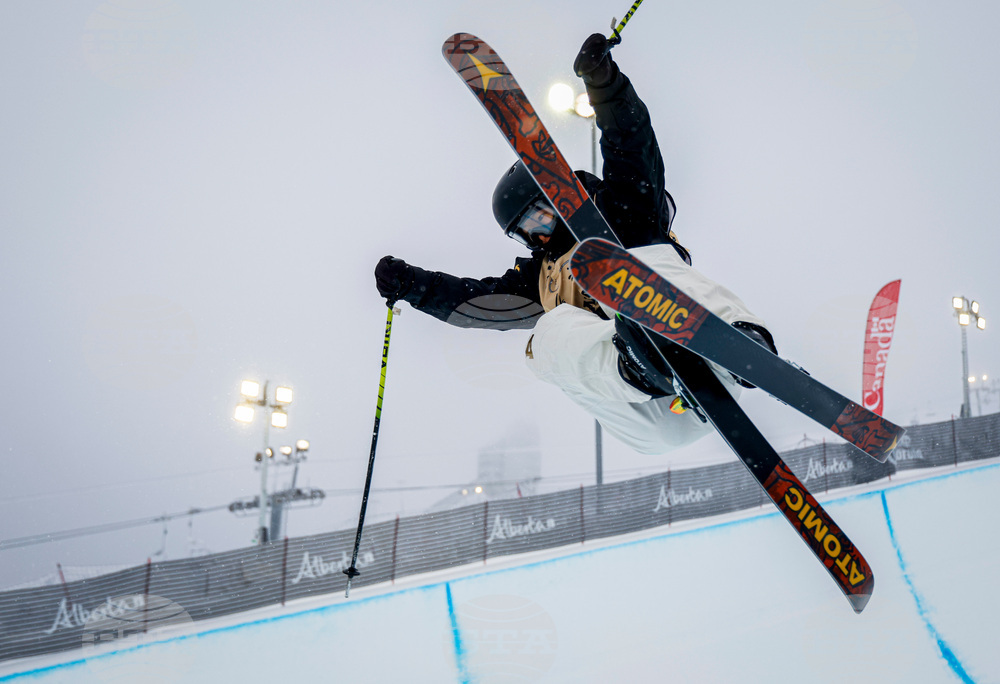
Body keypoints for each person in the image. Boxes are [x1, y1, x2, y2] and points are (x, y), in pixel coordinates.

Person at [374, 33, 776, 456]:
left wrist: (604, 84)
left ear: (555, 195)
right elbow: (477, 303)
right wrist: (413, 286)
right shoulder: (541, 279)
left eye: (538, 218)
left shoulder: (618, 209)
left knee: (649, 258)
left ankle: (742, 340)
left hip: (716, 360)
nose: (539, 237)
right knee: (544, 340)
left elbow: (630, 144)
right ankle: (635, 366)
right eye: (523, 233)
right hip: (659, 412)